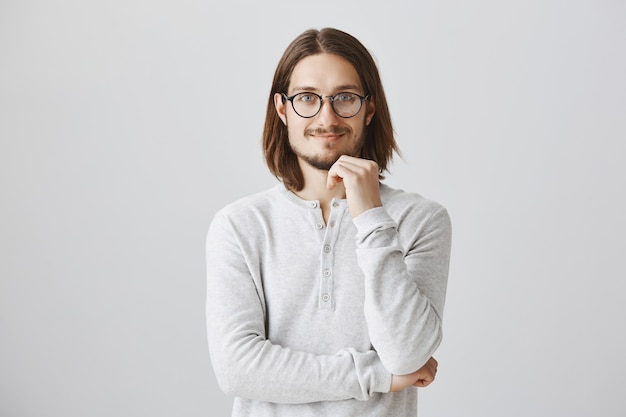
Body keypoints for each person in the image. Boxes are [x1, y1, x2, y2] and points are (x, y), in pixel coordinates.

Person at [205, 27, 452, 417]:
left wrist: (371, 217)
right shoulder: (240, 226)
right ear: (282, 109)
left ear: (369, 109)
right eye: (308, 98)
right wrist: (378, 376)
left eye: (345, 98)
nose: (327, 117)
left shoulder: (420, 220)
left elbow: (407, 354)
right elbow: (238, 369)